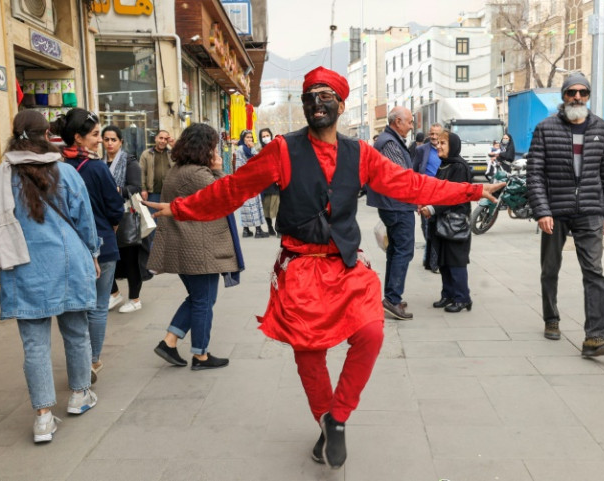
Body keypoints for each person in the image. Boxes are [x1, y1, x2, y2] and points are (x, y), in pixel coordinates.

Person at [145, 66, 504, 470]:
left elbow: (412, 185)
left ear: (341, 104)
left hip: (347, 265)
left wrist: (472, 189)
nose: (317, 103)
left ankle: (337, 416)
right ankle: (326, 419)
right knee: (309, 351)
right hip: (300, 268)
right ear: (303, 106)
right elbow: (233, 189)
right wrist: (178, 208)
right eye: (310, 97)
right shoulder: (282, 150)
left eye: (325, 95)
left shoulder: (361, 154)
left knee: (370, 333)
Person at [0, 110, 101, 443]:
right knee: (76, 332)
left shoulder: (1, 177)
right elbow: (85, 220)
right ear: (47, 134)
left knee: (34, 345)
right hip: (69, 263)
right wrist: (93, 253)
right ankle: (79, 396)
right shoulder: (65, 172)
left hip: (24, 268)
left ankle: (43, 419)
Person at [526, 72, 604, 358]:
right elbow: (535, 174)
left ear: (588, 96)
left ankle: (595, 337)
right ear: (563, 96)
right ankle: (551, 318)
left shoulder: (601, 129)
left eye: (583, 92)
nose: (577, 97)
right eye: (571, 92)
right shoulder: (545, 128)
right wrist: (542, 210)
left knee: (594, 272)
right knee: (550, 268)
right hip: (555, 211)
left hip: (590, 210)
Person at [149, 123, 243, 371]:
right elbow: (227, 197)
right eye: (213, 146)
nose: (216, 150)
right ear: (205, 147)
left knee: (199, 298)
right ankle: (200, 355)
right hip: (198, 249)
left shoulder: (178, 169)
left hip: (185, 245)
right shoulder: (196, 174)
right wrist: (220, 170)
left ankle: (169, 341)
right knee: (203, 301)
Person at [56, 109, 125, 381]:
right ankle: (92, 360)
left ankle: (80, 358)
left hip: (66, 248)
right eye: (96, 135)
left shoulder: (54, 168)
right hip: (102, 245)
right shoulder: (96, 168)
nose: (100, 140)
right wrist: (112, 227)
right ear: (78, 137)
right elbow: (115, 208)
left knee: (74, 308)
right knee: (97, 307)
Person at [367, 106, 417, 320]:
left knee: (396, 251)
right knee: (403, 251)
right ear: (397, 121)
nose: (411, 126)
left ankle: (391, 296)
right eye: (409, 122)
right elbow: (401, 176)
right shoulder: (389, 142)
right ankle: (392, 299)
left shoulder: (390, 140)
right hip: (397, 205)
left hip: (396, 204)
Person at [418, 131, 474, 312]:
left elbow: (452, 196)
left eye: (443, 143)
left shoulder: (459, 167)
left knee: (455, 260)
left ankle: (462, 298)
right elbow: (437, 190)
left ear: (453, 146)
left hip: (455, 223)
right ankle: (448, 295)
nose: (438, 146)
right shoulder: (445, 165)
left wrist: (432, 208)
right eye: (438, 143)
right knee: (443, 259)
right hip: (441, 221)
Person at [102, 125, 151, 313]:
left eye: (113, 139)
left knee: (130, 259)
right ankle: (114, 294)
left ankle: (135, 299)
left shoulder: (129, 162)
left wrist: (116, 190)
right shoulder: (101, 162)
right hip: (107, 217)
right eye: (106, 139)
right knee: (109, 257)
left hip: (126, 216)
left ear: (121, 142)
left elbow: (136, 187)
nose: (109, 143)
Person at [414, 123, 444, 273]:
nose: (433, 137)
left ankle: (433, 260)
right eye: (431, 133)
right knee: (426, 228)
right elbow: (413, 172)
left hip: (442, 195)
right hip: (425, 194)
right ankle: (429, 257)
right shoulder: (421, 150)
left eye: (436, 134)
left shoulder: (446, 150)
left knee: (437, 228)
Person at [235, 129, 269, 238]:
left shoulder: (243, 149)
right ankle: (258, 230)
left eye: (250, 137)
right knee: (253, 207)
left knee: (247, 207)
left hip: (247, 182)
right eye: (247, 137)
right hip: (249, 182)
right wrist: (253, 148)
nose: (249, 139)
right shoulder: (243, 149)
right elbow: (257, 159)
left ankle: (246, 230)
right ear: (243, 139)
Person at [139, 130, 173, 203]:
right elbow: (141, 173)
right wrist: (143, 189)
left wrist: (173, 145)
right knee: (152, 214)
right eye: (161, 138)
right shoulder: (146, 154)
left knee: (167, 214)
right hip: (152, 194)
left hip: (169, 193)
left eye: (165, 139)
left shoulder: (172, 154)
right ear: (156, 138)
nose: (163, 141)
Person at [259, 127, 280, 237]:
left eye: (267, 135)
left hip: (276, 182)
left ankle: (279, 229)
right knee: (266, 207)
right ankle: (270, 227)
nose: (266, 138)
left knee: (278, 208)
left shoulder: (276, 147)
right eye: (263, 136)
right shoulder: (259, 151)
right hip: (265, 183)